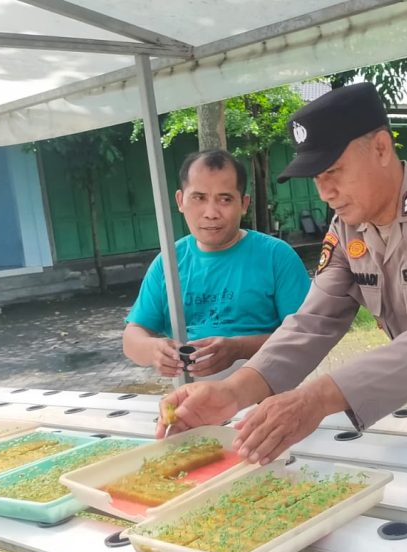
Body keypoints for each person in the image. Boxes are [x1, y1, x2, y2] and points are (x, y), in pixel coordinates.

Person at [159, 83, 407, 464]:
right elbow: (312, 322)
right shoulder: (346, 231)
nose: (324, 192)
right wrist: (233, 392)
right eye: (316, 177)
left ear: (379, 148)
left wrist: (319, 398)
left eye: (333, 171)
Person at [123, 149, 311, 381]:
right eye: (199, 198)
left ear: (243, 204)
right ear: (180, 201)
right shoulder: (169, 263)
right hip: (191, 401)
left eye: (225, 199)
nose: (211, 213)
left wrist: (239, 349)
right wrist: (153, 350)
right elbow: (132, 336)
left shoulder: (276, 256)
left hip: (268, 399)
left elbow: (306, 337)